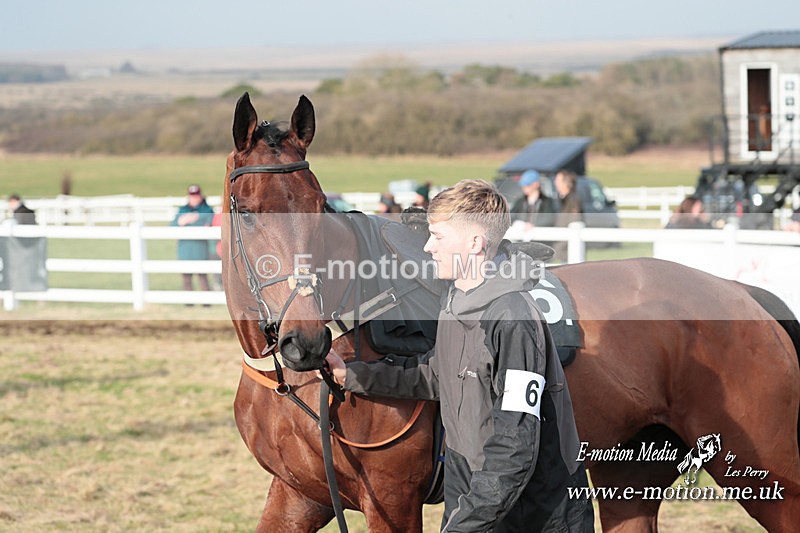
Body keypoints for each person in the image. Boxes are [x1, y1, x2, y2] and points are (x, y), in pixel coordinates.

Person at [325, 179, 594, 532]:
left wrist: (465, 524)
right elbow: (436, 374)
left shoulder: (513, 318)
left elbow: (516, 444)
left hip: (533, 511)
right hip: (473, 491)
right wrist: (353, 374)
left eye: (438, 236)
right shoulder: (455, 302)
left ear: (475, 243)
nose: (428, 247)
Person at [171, 184, 214, 296]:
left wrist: (193, 219)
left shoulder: (206, 209)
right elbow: (173, 225)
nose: (194, 198)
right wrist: (181, 221)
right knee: (186, 279)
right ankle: (188, 301)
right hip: (185, 250)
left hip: (200, 250)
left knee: (203, 278)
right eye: (192, 196)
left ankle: (206, 301)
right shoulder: (183, 210)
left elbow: (209, 223)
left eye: (196, 196)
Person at [552, 170, 583, 262]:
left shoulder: (573, 201)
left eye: (558, 180)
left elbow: (574, 224)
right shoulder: (562, 201)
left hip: (567, 251)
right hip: (561, 249)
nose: (555, 183)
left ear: (566, 183)